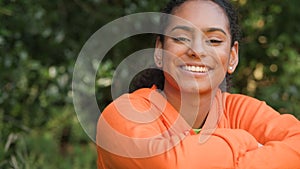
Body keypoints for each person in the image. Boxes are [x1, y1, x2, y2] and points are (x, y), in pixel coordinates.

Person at [96, 0, 300, 168]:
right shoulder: (123, 116)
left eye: (214, 41)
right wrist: (244, 141)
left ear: (232, 57)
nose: (197, 51)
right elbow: (172, 165)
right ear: (159, 52)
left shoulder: (239, 112)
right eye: (181, 38)